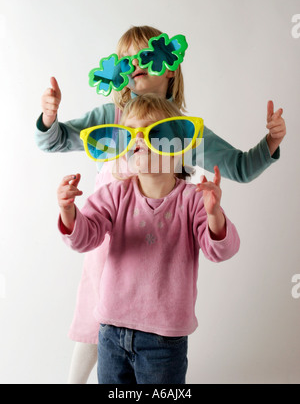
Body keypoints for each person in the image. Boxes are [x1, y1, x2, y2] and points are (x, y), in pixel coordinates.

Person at [35, 25, 286, 383]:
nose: (136, 64)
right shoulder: (109, 117)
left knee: (145, 325)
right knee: (96, 318)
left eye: (147, 56)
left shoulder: (182, 129)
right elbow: (55, 140)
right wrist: (49, 118)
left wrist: (270, 143)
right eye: (127, 59)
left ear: (170, 66)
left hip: (160, 237)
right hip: (106, 232)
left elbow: (241, 167)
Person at [57, 95, 240, 384]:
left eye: (154, 132)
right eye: (130, 133)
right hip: (110, 332)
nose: (139, 138)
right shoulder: (115, 193)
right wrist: (69, 213)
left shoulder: (193, 200)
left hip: (164, 340)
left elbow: (221, 250)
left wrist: (215, 214)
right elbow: (85, 237)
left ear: (177, 144)